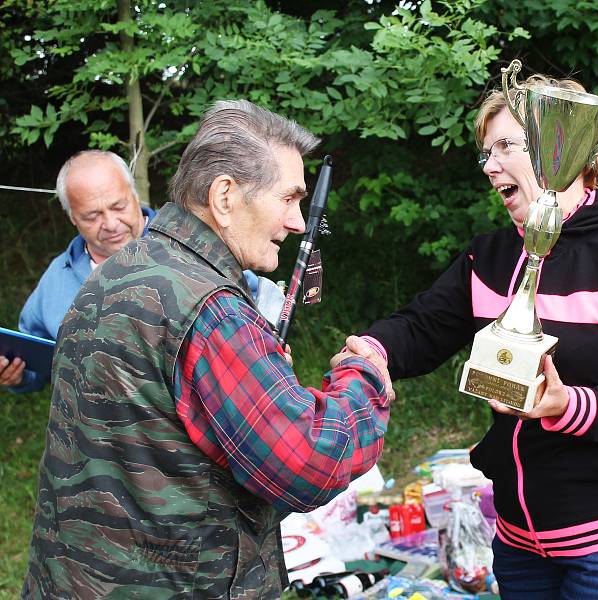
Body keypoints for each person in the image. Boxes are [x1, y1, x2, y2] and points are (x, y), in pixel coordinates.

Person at [22, 100, 394, 599]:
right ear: (224, 196)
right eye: (288, 199)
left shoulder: (121, 267)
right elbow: (310, 463)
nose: (299, 222)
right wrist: (362, 377)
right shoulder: (210, 309)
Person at [347, 74, 598, 599]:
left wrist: (567, 405)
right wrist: (370, 351)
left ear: (565, 149)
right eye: (486, 152)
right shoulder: (488, 257)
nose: (490, 166)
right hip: (519, 543)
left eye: (506, 146)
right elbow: (422, 327)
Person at [0, 150, 155, 392]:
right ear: (73, 217)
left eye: (118, 206)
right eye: (92, 216)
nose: (111, 224)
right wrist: (17, 375)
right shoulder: (57, 277)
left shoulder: (184, 249)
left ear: (134, 195)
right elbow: (33, 360)